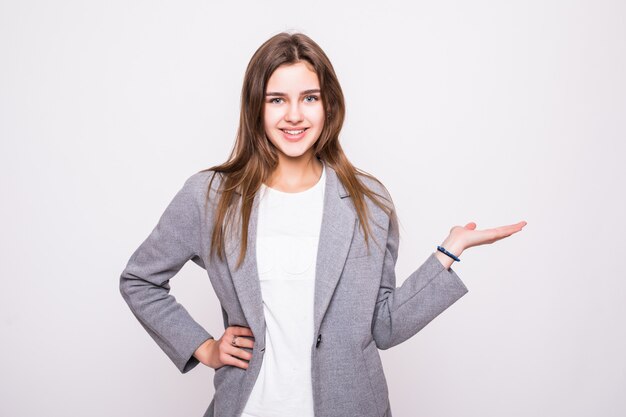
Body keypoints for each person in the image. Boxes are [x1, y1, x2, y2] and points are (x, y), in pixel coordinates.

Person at [119, 31, 526, 417]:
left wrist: (447, 253)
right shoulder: (211, 195)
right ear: (254, 107)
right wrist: (203, 347)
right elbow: (140, 279)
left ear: (328, 104)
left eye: (308, 98)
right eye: (276, 99)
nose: (294, 115)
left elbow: (383, 327)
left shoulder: (369, 201)